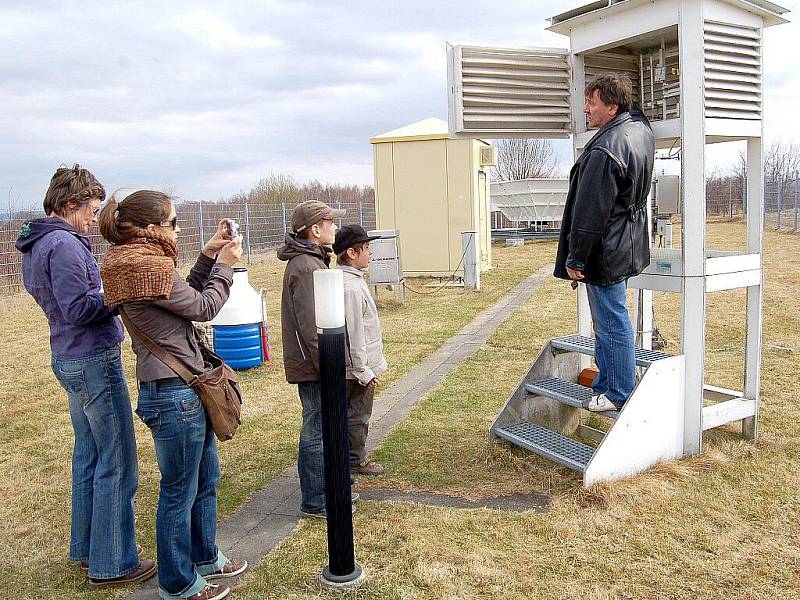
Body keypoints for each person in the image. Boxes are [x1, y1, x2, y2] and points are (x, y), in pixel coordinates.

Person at [98, 191, 247, 600]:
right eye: (173, 222)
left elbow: (182, 295)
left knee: (205, 478)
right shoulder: (142, 266)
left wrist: (209, 256)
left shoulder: (140, 264)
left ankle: (203, 556)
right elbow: (203, 306)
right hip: (173, 394)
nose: (178, 229)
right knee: (180, 490)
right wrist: (226, 268)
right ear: (150, 229)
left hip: (181, 390)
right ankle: (178, 582)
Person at [15, 165, 155, 588]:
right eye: (91, 209)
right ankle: (114, 563)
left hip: (68, 356)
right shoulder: (65, 246)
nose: (95, 218)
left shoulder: (38, 243)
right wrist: (120, 292)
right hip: (93, 359)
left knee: (90, 456)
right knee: (117, 460)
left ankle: (88, 549)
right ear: (70, 204)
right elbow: (78, 309)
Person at [554, 73, 655, 413]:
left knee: (610, 321)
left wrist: (576, 259)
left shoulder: (606, 148)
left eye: (592, 102)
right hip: (624, 244)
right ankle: (612, 385)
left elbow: (590, 213)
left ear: (612, 107)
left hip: (605, 250)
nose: (585, 109)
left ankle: (617, 392)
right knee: (614, 318)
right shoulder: (639, 132)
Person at [277, 199, 355, 519]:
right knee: (316, 430)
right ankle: (316, 499)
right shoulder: (307, 267)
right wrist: (331, 368)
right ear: (314, 230)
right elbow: (314, 328)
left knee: (322, 427)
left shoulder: (313, 261)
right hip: (314, 366)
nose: (335, 228)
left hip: (314, 363)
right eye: (330, 223)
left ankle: (330, 488)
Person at [333, 225, 387, 476]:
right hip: (356, 369)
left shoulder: (351, 281)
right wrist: (363, 370)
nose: (370, 253)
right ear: (351, 253)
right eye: (366, 248)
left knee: (354, 412)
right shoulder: (351, 288)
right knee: (358, 414)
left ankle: (350, 456)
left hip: (357, 366)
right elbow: (353, 332)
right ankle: (355, 459)